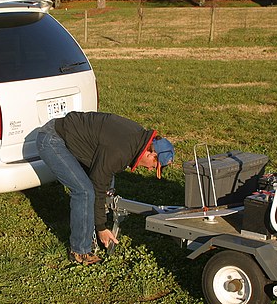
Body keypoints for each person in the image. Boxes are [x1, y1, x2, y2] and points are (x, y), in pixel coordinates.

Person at [37, 111, 174, 265]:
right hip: (52, 139)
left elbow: (104, 172)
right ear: (150, 154)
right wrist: (101, 227)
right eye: (154, 166)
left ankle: (93, 229)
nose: (149, 169)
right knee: (84, 192)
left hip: (69, 136)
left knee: (106, 185)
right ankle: (79, 251)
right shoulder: (121, 151)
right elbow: (97, 183)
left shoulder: (136, 140)